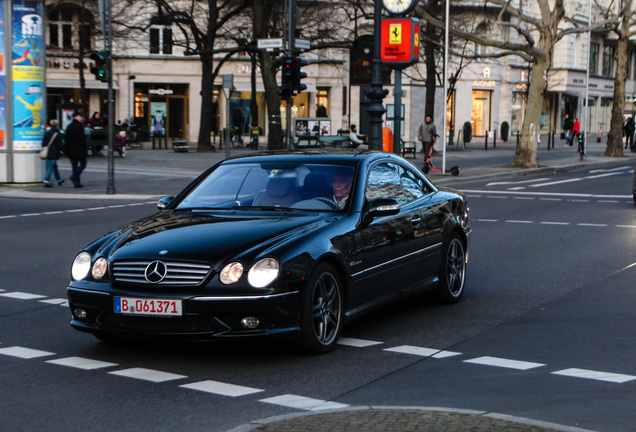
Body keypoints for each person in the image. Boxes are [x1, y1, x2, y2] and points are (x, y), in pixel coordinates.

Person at [65, 111, 88, 188]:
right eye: (80, 116)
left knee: (74, 166)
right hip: (79, 149)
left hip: (71, 149)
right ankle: (74, 176)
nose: (81, 118)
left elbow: (66, 138)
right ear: (76, 117)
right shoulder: (79, 126)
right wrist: (85, 148)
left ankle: (76, 183)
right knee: (83, 164)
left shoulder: (69, 126)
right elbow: (82, 139)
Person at [42, 120, 65, 188]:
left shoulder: (47, 133)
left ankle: (59, 179)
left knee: (54, 166)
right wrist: (64, 151)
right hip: (55, 151)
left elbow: (43, 143)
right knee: (51, 166)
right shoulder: (57, 134)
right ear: (57, 125)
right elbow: (60, 144)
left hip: (48, 151)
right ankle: (46, 179)